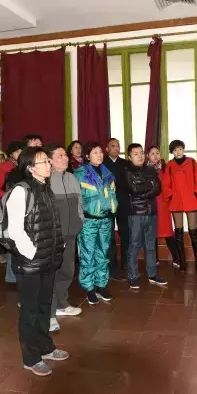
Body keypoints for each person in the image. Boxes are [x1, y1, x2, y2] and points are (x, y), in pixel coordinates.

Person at [4, 146, 68, 376]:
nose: (49, 164)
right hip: (30, 263)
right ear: (31, 168)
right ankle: (31, 358)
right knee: (30, 311)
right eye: (43, 162)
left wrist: (58, 246)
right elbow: (14, 231)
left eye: (48, 161)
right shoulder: (21, 191)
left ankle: (45, 347)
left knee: (44, 306)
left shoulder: (45, 188)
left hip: (48, 259)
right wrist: (32, 254)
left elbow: (50, 223)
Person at [45, 144, 84, 332]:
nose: (65, 158)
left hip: (71, 232)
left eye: (65, 155)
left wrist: (80, 220)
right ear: (50, 160)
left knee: (67, 270)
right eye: (59, 156)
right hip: (53, 235)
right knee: (51, 273)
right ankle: (49, 313)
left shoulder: (71, 178)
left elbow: (80, 203)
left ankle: (62, 304)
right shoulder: (45, 180)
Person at [75, 142, 118, 305]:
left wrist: (113, 208)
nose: (99, 155)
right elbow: (76, 199)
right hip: (88, 221)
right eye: (94, 152)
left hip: (105, 220)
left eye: (100, 152)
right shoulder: (80, 174)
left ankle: (101, 285)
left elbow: (112, 194)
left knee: (103, 253)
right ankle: (89, 287)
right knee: (88, 254)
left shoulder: (108, 173)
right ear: (87, 156)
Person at [124, 143, 166, 289]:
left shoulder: (150, 169)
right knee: (134, 245)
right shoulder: (127, 171)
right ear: (130, 156)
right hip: (136, 213)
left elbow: (158, 189)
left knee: (151, 245)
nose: (140, 156)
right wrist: (149, 186)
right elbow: (134, 189)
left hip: (151, 211)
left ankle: (153, 274)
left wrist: (145, 189)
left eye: (141, 153)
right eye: (136, 154)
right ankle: (133, 276)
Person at [162, 139, 197, 272]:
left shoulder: (191, 162)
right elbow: (165, 183)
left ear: (183, 149)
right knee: (179, 232)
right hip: (176, 201)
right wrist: (170, 196)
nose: (178, 152)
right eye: (175, 150)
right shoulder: (169, 165)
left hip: (191, 200)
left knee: (193, 231)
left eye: (180, 149)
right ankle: (182, 262)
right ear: (172, 152)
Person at [147, 146, 183, 270]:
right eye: (152, 153)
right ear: (147, 156)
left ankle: (176, 258)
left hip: (163, 203)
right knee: (152, 233)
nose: (155, 155)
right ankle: (154, 259)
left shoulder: (165, 167)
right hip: (150, 203)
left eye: (157, 152)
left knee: (168, 232)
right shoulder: (144, 169)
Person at [0, 141, 22, 279]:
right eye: (17, 151)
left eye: (22, 150)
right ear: (11, 154)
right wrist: (8, 199)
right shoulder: (6, 166)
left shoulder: (22, 165)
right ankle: (11, 275)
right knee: (10, 239)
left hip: (20, 206)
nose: (20, 153)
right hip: (7, 207)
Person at [102, 138, 129, 281]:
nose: (116, 148)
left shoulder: (125, 164)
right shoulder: (102, 164)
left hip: (123, 203)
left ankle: (126, 263)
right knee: (109, 235)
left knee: (126, 233)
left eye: (118, 146)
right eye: (113, 146)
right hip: (108, 204)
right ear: (107, 149)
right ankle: (112, 265)